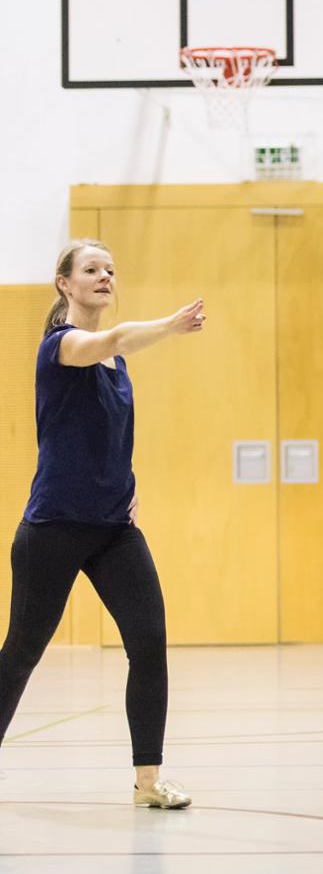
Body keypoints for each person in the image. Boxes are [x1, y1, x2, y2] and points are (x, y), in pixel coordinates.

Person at [0, 239, 201, 810]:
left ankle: (148, 782)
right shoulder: (61, 346)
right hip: (53, 527)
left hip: (114, 530)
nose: (105, 276)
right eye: (91, 269)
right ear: (65, 283)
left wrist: (128, 488)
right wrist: (170, 326)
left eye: (110, 269)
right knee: (22, 651)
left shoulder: (119, 364)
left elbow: (110, 437)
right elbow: (112, 339)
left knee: (149, 643)